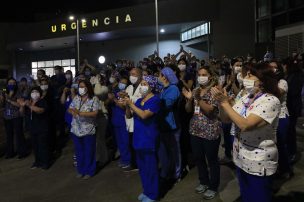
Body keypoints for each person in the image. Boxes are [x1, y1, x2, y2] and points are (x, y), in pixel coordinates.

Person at [211, 62, 281, 202]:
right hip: (241, 156)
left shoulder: (271, 100)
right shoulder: (246, 97)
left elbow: (245, 125)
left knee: (259, 197)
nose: (245, 77)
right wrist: (221, 103)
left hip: (259, 161)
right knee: (246, 195)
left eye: (250, 75)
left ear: (263, 79)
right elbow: (226, 119)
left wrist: (225, 103)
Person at [182, 66, 220, 200]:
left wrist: (197, 98)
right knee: (198, 158)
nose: (201, 77)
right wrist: (190, 99)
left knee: (212, 160)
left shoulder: (215, 91)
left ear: (210, 76)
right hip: (195, 130)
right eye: (199, 74)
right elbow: (188, 110)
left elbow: (210, 110)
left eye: (204, 74)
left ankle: (213, 186)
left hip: (210, 130)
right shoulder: (196, 90)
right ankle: (203, 181)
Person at [124, 75, 161, 202]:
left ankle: (153, 194)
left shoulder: (155, 100)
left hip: (148, 139)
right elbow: (129, 116)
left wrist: (130, 104)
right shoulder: (140, 101)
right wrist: (127, 105)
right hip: (138, 139)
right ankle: (146, 190)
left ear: (152, 86)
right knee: (143, 168)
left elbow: (144, 115)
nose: (142, 86)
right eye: (142, 84)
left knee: (150, 168)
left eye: (145, 84)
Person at [68, 80, 100, 179]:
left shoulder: (94, 99)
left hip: (88, 130)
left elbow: (95, 113)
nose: (80, 89)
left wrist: (80, 113)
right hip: (76, 129)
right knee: (79, 151)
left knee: (89, 151)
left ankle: (89, 171)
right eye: (79, 87)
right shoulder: (77, 98)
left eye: (82, 86)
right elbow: (70, 108)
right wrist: (72, 112)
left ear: (88, 87)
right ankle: (81, 170)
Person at [269, 61, 293, 178]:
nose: (273, 69)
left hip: (281, 116)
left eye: (275, 67)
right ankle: (277, 167)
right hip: (270, 117)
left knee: (281, 144)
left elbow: (278, 93)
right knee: (273, 145)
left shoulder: (282, 82)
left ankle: (286, 169)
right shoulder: (268, 82)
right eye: (270, 67)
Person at [157, 67, 181, 181]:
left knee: (174, 151)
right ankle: (168, 171)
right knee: (166, 151)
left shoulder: (173, 89)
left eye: (160, 75)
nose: (158, 77)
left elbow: (167, 105)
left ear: (165, 77)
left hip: (172, 125)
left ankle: (177, 174)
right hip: (163, 125)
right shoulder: (162, 89)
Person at [19, 87, 50, 169]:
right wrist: (22, 106)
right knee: (35, 146)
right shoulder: (29, 102)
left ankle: (45, 163)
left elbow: (40, 110)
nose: (34, 93)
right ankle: (37, 162)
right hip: (32, 128)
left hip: (42, 128)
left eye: (36, 92)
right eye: (33, 92)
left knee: (42, 146)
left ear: (40, 93)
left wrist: (29, 106)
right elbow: (21, 113)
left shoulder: (42, 101)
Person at [108, 76, 132, 170]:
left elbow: (124, 107)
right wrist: (111, 98)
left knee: (125, 142)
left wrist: (114, 100)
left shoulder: (127, 95)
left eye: (124, 83)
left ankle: (128, 161)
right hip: (116, 121)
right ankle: (123, 158)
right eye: (121, 82)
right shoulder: (115, 93)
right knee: (119, 142)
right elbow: (107, 102)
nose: (122, 84)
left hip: (123, 121)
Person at [1, 77, 27, 159]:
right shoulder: (4, 92)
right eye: (10, 83)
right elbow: (2, 104)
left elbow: (20, 105)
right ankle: (10, 152)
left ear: (15, 84)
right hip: (7, 117)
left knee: (19, 135)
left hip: (16, 116)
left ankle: (22, 152)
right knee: (9, 135)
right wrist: (2, 98)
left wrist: (9, 100)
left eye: (13, 83)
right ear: (7, 84)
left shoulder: (18, 92)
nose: (11, 84)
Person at [125, 67, 144, 171]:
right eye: (130, 74)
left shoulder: (144, 87)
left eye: (134, 74)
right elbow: (125, 102)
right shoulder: (129, 88)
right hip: (129, 119)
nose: (132, 77)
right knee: (131, 143)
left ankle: (140, 164)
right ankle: (134, 164)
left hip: (139, 120)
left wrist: (129, 102)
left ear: (140, 75)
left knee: (139, 144)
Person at [285, 58, 304, 163]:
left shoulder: (296, 76)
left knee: (291, 130)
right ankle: (290, 150)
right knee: (290, 130)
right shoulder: (292, 75)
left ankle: (292, 152)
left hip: (293, 106)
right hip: (291, 106)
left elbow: (293, 91)